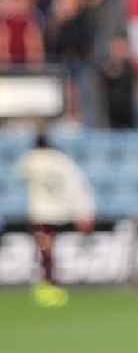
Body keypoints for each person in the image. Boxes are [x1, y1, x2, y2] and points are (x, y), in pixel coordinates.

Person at [16, 131, 95, 307]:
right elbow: (77, 185)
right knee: (48, 249)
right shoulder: (61, 160)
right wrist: (83, 212)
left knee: (45, 249)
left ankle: (49, 284)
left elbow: (21, 175)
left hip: (40, 213)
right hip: (57, 212)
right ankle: (49, 283)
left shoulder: (30, 159)